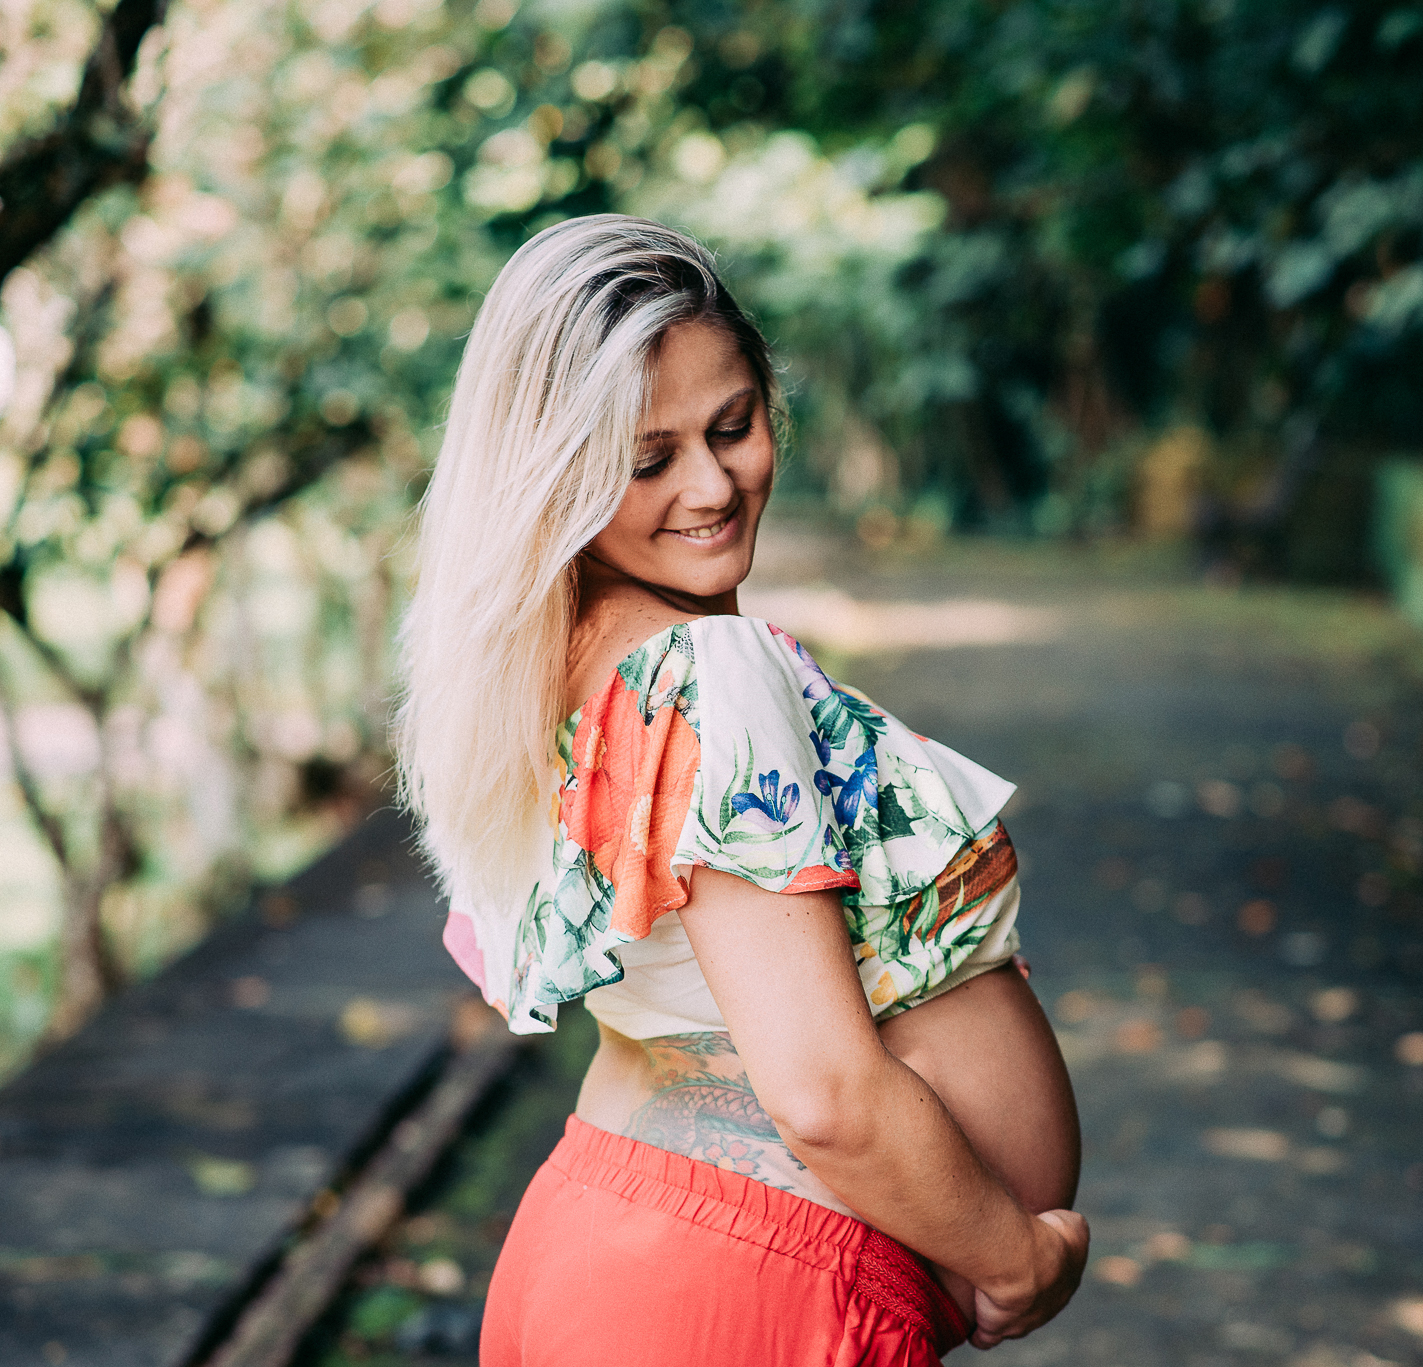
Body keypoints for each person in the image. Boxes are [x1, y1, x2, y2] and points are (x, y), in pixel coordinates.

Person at [395, 214, 1087, 1364]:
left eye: (734, 425)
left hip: (616, 1244)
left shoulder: (542, 666)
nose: (712, 484)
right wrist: (1018, 1255)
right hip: (741, 1288)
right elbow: (822, 1090)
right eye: (646, 457)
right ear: (556, 471)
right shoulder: (701, 672)